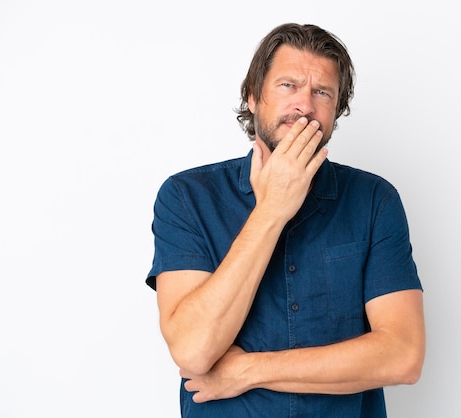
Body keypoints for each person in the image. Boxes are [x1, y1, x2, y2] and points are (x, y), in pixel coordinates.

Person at [146, 22, 425, 418]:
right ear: (253, 96)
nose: (305, 105)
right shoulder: (186, 197)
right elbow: (193, 349)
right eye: (288, 86)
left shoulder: (375, 200)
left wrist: (247, 370)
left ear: (336, 110)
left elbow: (402, 356)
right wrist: (272, 209)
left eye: (322, 92)